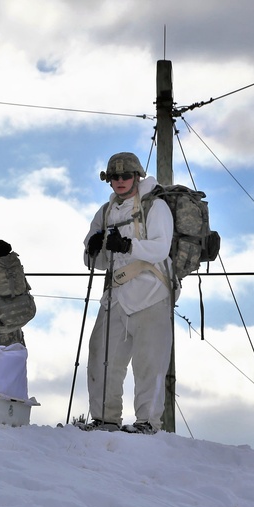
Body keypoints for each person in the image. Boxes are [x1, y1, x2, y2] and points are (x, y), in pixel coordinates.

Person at [82, 152, 174, 434]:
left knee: (150, 363)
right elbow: (91, 262)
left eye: (125, 176)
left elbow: (161, 247)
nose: (120, 181)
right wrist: (94, 247)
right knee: (101, 356)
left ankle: (147, 422)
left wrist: (129, 246)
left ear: (137, 176)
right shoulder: (105, 212)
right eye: (114, 177)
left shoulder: (155, 207)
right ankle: (105, 419)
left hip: (151, 294)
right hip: (115, 298)